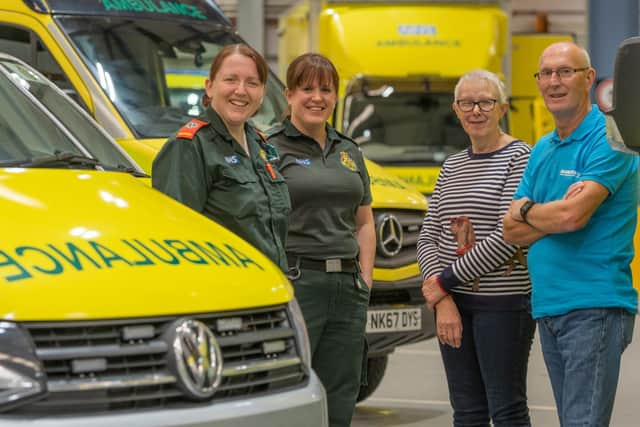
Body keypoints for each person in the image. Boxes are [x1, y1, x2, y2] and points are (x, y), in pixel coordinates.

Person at [503, 42, 638, 426]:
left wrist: (529, 209)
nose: (553, 82)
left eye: (565, 72)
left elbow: (572, 216)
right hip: (549, 306)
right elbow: (509, 229)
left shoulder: (612, 138)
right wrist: (549, 213)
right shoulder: (543, 148)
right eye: (545, 73)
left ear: (589, 78)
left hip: (593, 305)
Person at [418, 69, 535, 426]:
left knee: (507, 408)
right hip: (454, 304)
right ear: (455, 109)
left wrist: (443, 282)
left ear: (502, 108)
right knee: (466, 411)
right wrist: (444, 299)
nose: (476, 110)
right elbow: (427, 236)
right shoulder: (452, 165)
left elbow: (507, 237)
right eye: (467, 103)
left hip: (504, 306)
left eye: (485, 102)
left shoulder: (520, 158)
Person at [266, 53, 375, 427]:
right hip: (297, 282)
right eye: (307, 88)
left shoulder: (349, 150)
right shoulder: (269, 148)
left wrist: (365, 278)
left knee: (342, 391)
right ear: (289, 93)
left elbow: (364, 221)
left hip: (347, 286)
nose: (317, 97)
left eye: (326, 89)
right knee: (288, 386)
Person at [152, 44, 290, 271]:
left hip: (272, 290)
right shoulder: (189, 146)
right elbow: (174, 239)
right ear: (209, 87)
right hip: (226, 293)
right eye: (231, 80)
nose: (241, 90)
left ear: (262, 93)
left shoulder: (260, 144)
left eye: (252, 83)